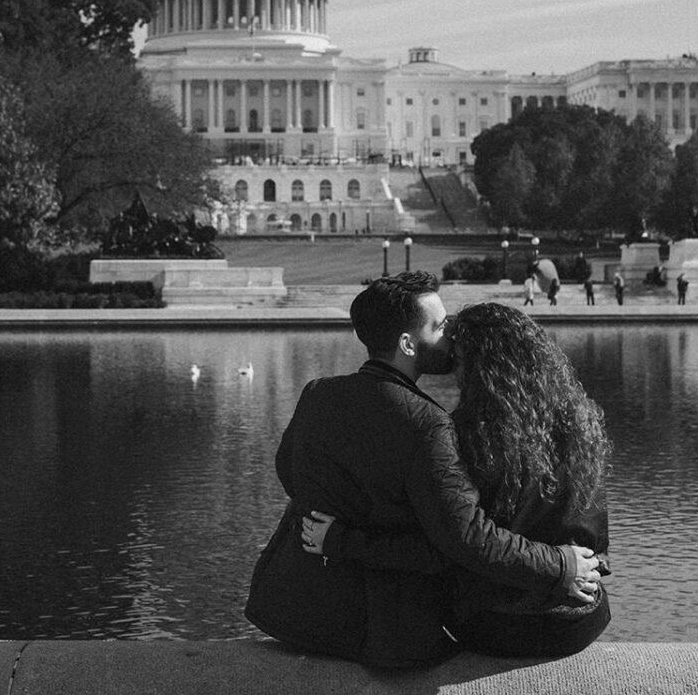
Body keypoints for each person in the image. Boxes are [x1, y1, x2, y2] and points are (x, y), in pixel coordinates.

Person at [244, 273, 601, 668]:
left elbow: (290, 474)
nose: (450, 338)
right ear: (408, 343)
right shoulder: (433, 425)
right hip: (393, 620)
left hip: (295, 602)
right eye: (441, 326)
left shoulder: (317, 392)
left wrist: (348, 523)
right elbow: (459, 540)